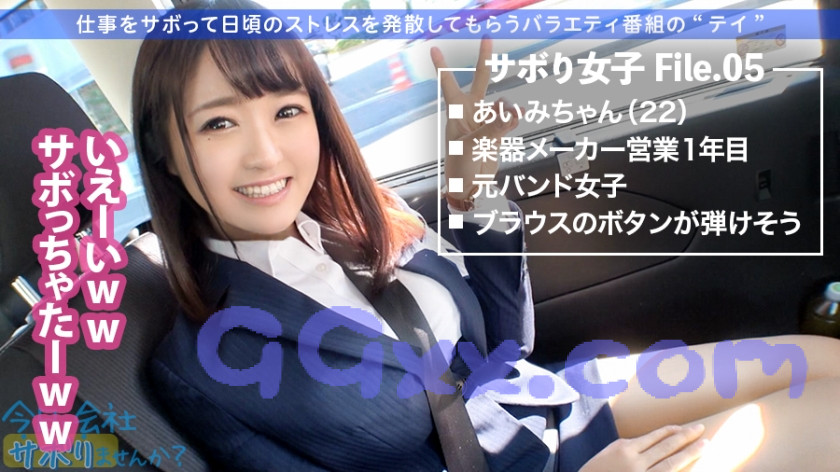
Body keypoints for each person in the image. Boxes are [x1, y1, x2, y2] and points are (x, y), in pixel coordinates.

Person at [133, 1, 840, 470]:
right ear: (165, 150)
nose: (266, 154)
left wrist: (477, 189)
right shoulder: (198, 365)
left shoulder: (353, 222)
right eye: (219, 123)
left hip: (552, 398)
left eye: (286, 110)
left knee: (824, 360)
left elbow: (505, 345)